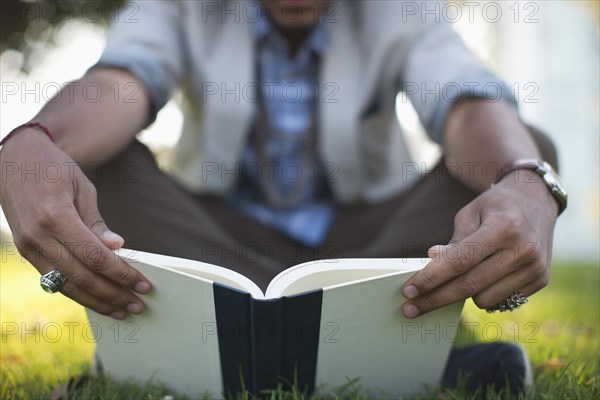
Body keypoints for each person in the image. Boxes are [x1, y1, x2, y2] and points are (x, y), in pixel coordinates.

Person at [0, 0, 567, 395]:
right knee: (98, 156)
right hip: (217, 244)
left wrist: (524, 178)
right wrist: (33, 140)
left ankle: (175, 356)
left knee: (521, 156)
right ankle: (402, 361)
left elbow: (464, 99)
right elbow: (122, 81)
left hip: (366, 247)